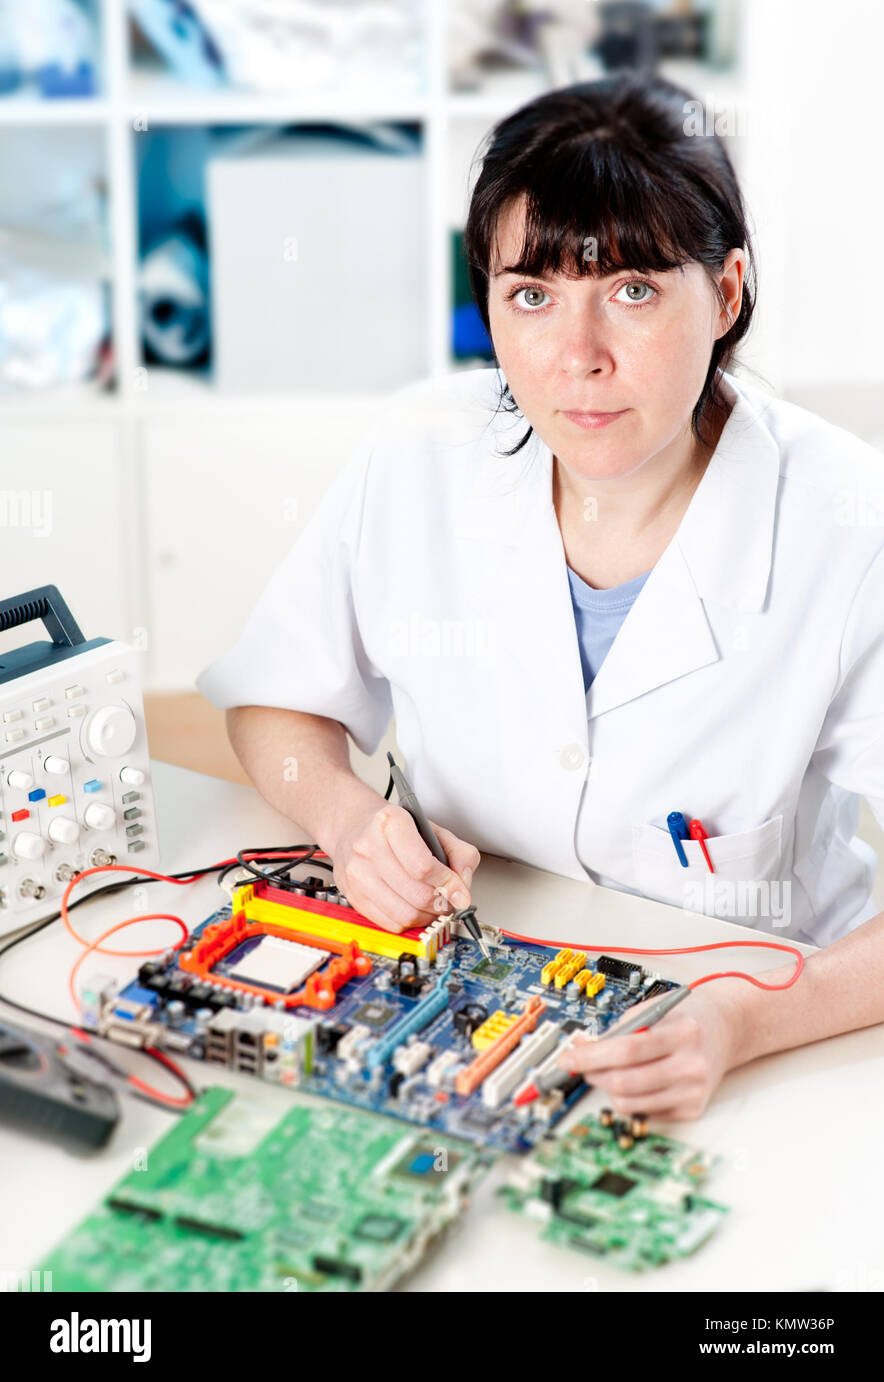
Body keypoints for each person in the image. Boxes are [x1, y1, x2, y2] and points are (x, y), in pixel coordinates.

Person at [197, 73, 884, 1119]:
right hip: (460, 1003)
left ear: (728, 292)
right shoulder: (417, 453)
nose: (577, 357)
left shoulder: (846, 518)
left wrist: (744, 1019)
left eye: (633, 290)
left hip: (775, 1033)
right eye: (531, 296)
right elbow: (275, 702)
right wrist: (346, 820)